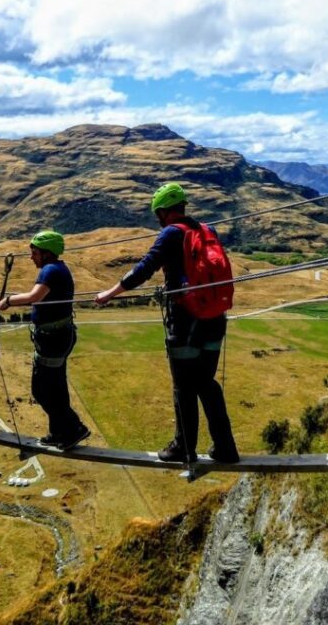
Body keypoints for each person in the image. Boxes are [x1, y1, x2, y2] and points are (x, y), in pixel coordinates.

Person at [95, 183, 239, 464]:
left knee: (184, 386)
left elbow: (145, 268)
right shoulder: (208, 231)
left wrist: (110, 293)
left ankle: (183, 448)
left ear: (163, 211)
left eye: (157, 213)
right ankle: (225, 447)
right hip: (214, 318)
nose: (157, 219)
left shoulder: (171, 233)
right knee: (206, 383)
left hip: (186, 321)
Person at [0, 231, 90, 450]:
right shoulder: (58, 268)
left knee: (41, 390)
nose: (32, 258)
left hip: (53, 339)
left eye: (35, 253)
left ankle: (74, 428)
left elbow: (34, 297)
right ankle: (58, 432)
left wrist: (8, 301)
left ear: (47, 254)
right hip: (58, 336)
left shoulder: (50, 270)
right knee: (56, 387)